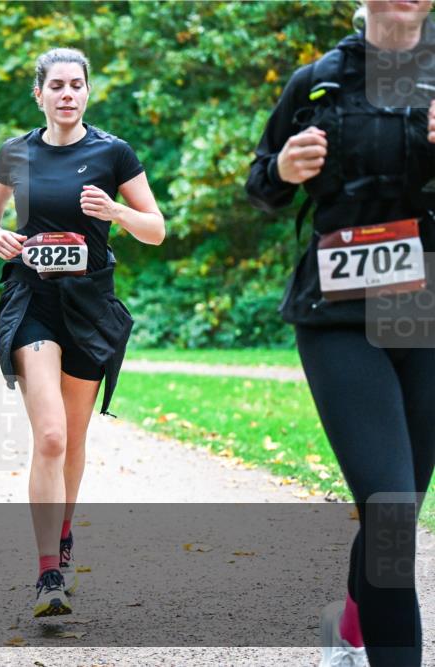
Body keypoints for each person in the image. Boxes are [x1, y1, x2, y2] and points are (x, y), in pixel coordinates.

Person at [246, 3, 435, 665]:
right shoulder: (318, 80)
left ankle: (351, 628)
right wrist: (284, 170)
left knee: (399, 509)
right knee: (387, 509)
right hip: (339, 311)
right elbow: (260, 184)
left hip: (425, 308)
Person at [0, 47, 164, 617]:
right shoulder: (17, 152)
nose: (66, 94)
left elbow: (155, 229)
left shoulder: (113, 153)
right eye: (55, 85)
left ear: (87, 92)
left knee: (75, 440)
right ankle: (47, 574)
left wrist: (115, 213)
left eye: (76, 85)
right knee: (51, 436)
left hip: (90, 305)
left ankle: (62, 535)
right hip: (33, 300)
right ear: (39, 94)